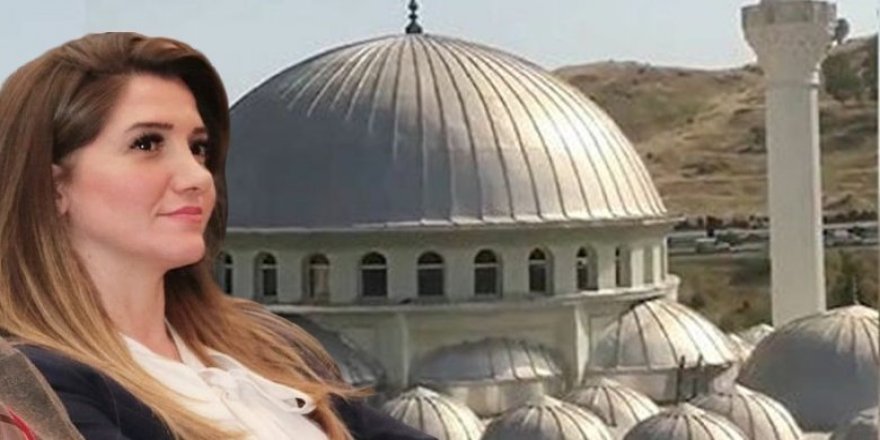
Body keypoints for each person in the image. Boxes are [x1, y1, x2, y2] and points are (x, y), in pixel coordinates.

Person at [0, 32, 434, 440]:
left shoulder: (268, 346)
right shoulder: (32, 384)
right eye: (147, 144)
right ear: (53, 187)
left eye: (198, 148)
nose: (197, 177)